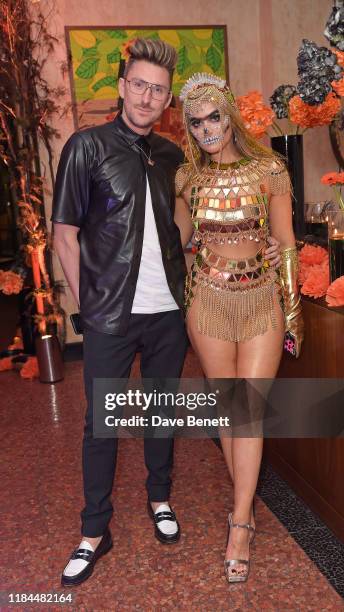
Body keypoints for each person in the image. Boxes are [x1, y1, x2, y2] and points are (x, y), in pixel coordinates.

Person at [52, 38, 281, 587]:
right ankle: (93, 530)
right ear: (122, 85)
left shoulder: (175, 158)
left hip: (169, 313)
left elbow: (198, 226)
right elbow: (64, 237)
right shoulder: (85, 147)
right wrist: (91, 309)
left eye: (159, 90)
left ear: (166, 102)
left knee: (160, 413)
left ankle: (160, 499)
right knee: (102, 423)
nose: (148, 96)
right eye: (140, 84)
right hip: (109, 314)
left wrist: (268, 244)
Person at [174, 72, 304, 584]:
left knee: (248, 410)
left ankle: (241, 522)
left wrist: (292, 308)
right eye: (196, 120)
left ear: (229, 114)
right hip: (207, 301)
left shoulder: (269, 169)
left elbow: (287, 241)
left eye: (214, 116)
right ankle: (245, 504)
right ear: (188, 127)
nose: (207, 128)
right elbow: (173, 241)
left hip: (260, 299)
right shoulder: (186, 179)